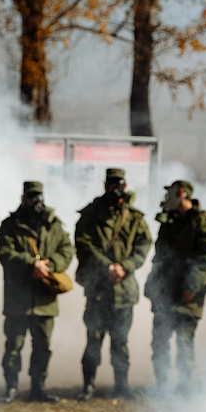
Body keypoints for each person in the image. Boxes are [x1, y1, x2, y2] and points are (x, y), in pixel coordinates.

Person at [74, 168, 152, 400]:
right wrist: (106, 266)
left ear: (125, 186)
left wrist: (125, 266)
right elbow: (83, 244)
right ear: (104, 185)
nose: (115, 188)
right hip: (98, 289)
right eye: (111, 184)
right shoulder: (90, 214)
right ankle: (88, 386)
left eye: (119, 184)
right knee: (93, 340)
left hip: (123, 291)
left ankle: (121, 386)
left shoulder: (134, 218)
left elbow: (143, 246)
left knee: (120, 341)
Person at [0, 181, 74, 403]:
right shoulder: (10, 225)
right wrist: (32, 264)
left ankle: (38, 388)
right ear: (23, 199)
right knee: (13, 346)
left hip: (44, 299)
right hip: (17, 298)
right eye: (31, 198)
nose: (36, 203)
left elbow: (67, 251)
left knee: (42, 347)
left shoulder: (54, 225)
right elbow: (5, 253)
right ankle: (11, 388)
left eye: (39, 198)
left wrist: (50, 266)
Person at [145, 180, 206, 393]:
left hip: (189, 293)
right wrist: (154, 284)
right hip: (166, 289)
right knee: (159, 341)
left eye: (171, 194)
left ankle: (185, 386)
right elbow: (160, 256)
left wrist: (192, 286)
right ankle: (161, 385)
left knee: (185, 342)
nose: (167, 198)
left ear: (181, 194)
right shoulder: (169, 223)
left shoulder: (203, 222)